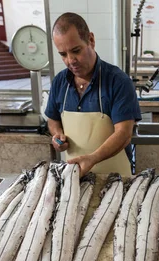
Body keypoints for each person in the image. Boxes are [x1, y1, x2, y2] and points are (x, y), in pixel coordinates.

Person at [45, 13, 141, 176]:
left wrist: (92, 158)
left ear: (91, 40)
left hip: (116, 179)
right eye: (63, 54)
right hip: (77, 178)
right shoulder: (60, 82)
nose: (70, 60)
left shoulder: (118, 81)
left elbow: (124, 134)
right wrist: (57, 135)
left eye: (76, 50)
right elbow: (53, 119)